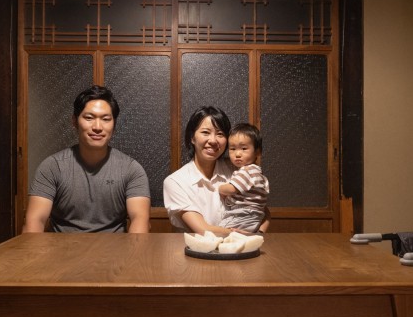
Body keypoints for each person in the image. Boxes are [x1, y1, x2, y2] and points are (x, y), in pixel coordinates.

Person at [23, 85, 151, 234]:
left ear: (114, 125)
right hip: (61, 253)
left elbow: (141, 220)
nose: (97, 127)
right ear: (74, 121)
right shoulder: (53, 167)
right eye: (89, 118)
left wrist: (132, 255)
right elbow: (34, 221)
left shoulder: (131, 169)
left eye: (105, 119)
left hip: (115, 253)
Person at [163, 106, 269, 235]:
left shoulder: (238, 170)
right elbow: (203, 230)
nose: (213, 140)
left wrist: (259, 234)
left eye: (220, 134)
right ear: (192, 138)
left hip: (239, 251)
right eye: (205, 132)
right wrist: (246, 236)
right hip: (195, 252)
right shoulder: (176, 182)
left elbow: (261, 209)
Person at [218, 123, 269, 233]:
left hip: (242, 214)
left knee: (220, 232)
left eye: (244, 148)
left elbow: (231, 189)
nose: (237, 154)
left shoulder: (247, 171)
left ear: (258, 151)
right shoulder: (257, 171)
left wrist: (220, 188)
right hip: (255, 216)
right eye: (232, 149)